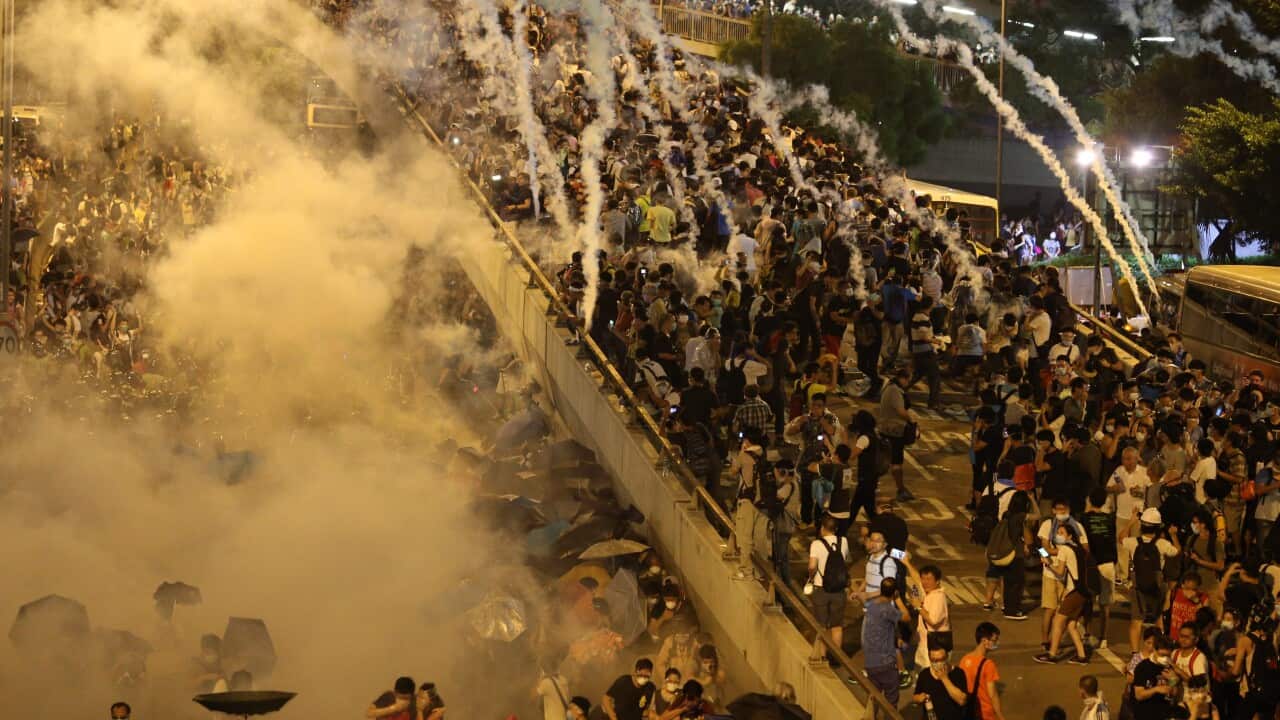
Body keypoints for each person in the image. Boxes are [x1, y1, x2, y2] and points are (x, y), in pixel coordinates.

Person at [1120, 508, 1180, 651]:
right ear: (1158, 527)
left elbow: (1120, 538)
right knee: (1158, 619)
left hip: (1138, 585)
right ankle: (1159, 651)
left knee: (1136, 621)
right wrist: (1174, 535)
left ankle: (1135, 653)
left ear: (1142, 525)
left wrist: (1130, 522)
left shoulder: (1133, 542)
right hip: (1157, 586)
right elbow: (1177, 551)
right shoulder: (1163, 544)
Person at [1035, 522, 1089, 665]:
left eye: (1062, 533)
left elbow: (1060, 572)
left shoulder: (1064, 549)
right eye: (1058, 533)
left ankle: (1052, 654)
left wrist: (1048, 563)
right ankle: (1082, 656)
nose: (1058, 535)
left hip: (1073, 591)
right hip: (1083, 591)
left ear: (1069, 535)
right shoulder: (1078, 548)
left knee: (1057, 621)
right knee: (1071, 624)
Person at [806, 515, 850, 662]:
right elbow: (845, 560)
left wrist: (811, 577)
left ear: (822, 528)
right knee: (837, 625)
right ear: (836, 529)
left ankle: (823, 656)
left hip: (821, 588)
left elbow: (812, 566)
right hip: (838, 588)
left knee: (822, 626)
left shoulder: (816, 544)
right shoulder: (843, 541)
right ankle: (837, 657)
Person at [862, 576, 908, 715]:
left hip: (870, 662)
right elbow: (906, 617)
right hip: (885, 663)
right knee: (891, 703)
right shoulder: (888, 609)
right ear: (894, 593)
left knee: (873, 699)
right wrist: (898, 599)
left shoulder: (871, 607)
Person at [878, 369, 916, 502]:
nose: (908, 383)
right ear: (903, 378)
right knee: (895, 462)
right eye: (908, 380)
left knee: (885, 460)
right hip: (893, 431)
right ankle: (901, 490)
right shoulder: (894, 390)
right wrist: (911, 420)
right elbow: (901, 411)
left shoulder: (889, 387)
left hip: (888, 429)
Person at [959, 622, 1007, 720]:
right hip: (985, 713)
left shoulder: (964, 660)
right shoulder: (988, 665)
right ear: (984, 641)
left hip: (969, 711)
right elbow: (992, 694)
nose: (997, 643)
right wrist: (1000, 716)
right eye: (994, 640)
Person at [912, 643, 969, 720]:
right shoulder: (924, 674)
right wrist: (919, 698)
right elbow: (915, 696)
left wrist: (944, 678)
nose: (938, 663)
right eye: (934, 660)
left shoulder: (958, 673)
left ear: (947, 657)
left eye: (941, 659)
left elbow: (962, 700)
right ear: (930, 658)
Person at [1129, 635, 1179, 720]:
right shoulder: (1143, 667)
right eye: (1162, 655)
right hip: (1145, 714)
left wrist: (1173, 680)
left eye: (1168, 656)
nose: (1165, 658)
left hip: (1164, 713)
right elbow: (1139, 695)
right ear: (1154, 650)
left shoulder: (1169, 667)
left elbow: (1173, 694)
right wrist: (1156, 689)